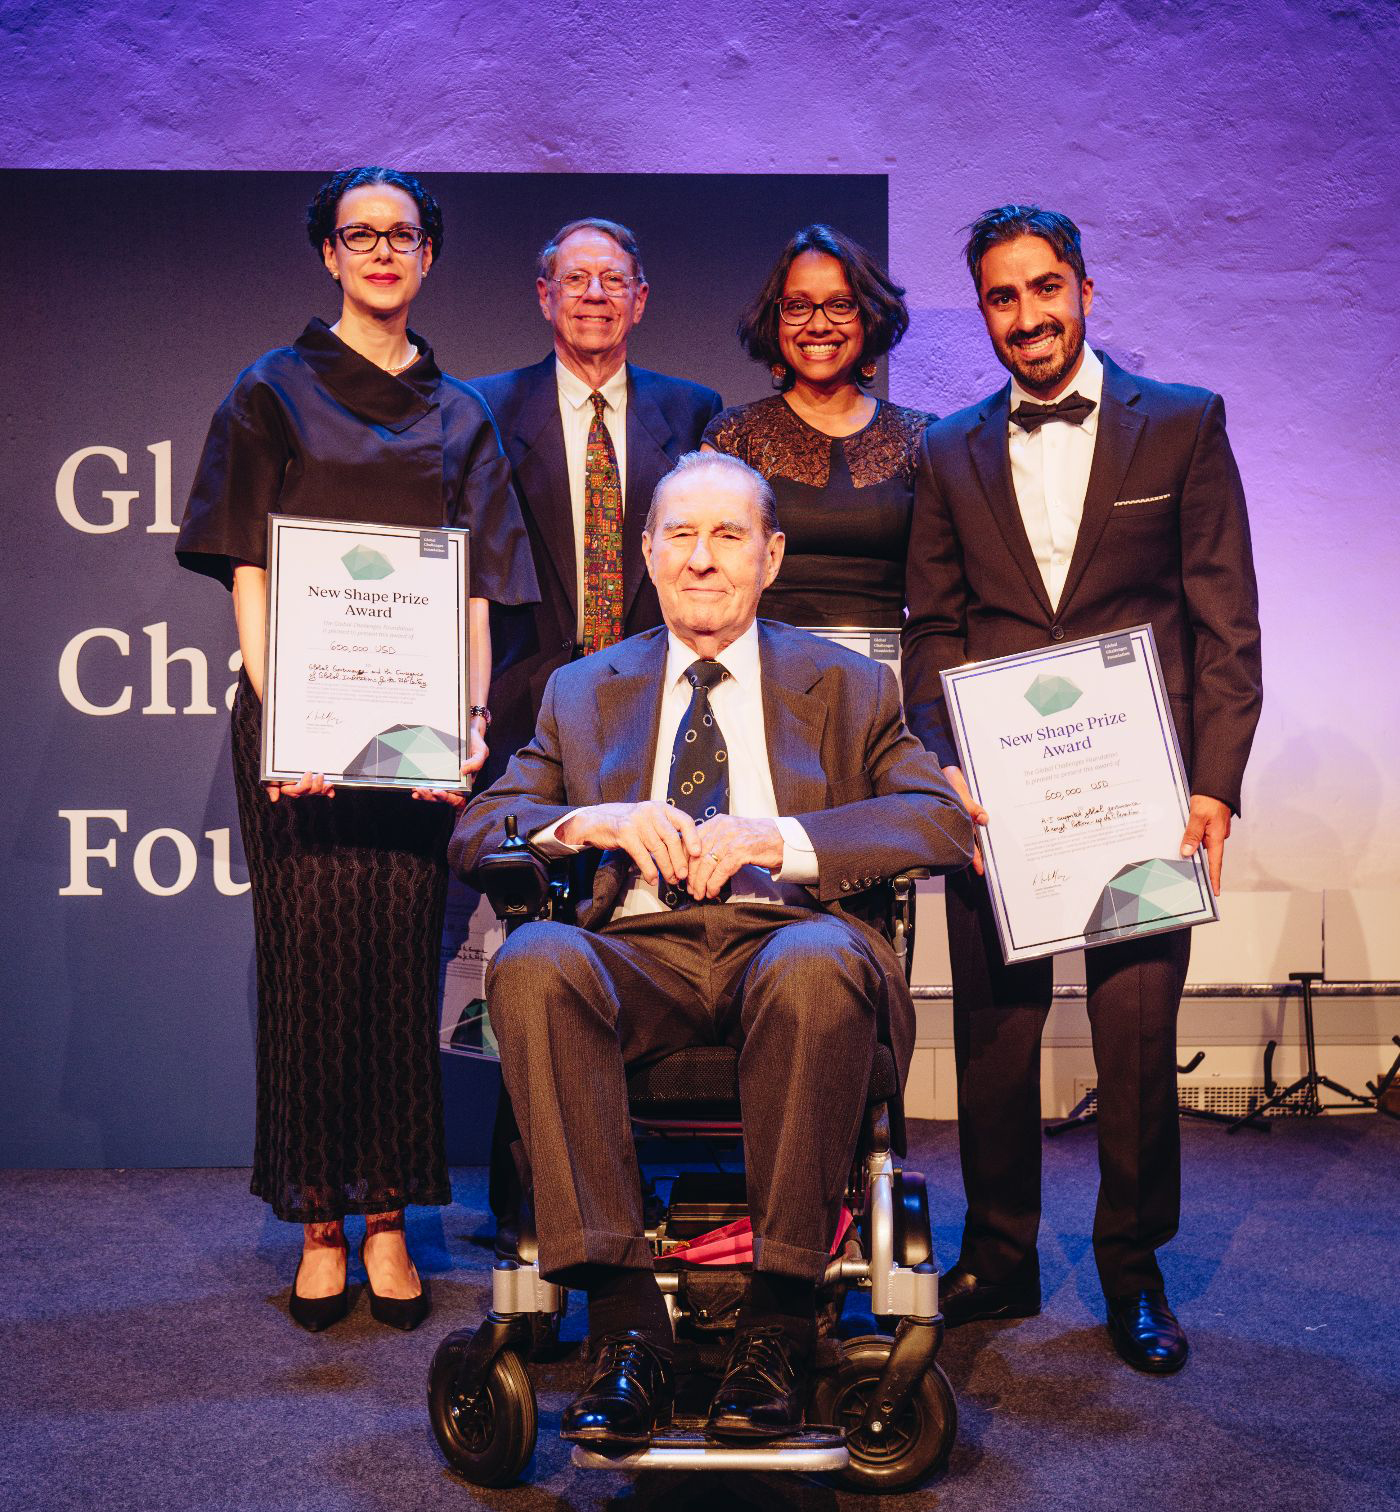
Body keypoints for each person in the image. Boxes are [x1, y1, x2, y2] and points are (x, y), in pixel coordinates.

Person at [449, 451, 974, 1449]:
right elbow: (482, 831)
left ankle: (777, 1325)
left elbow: (939, 823)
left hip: (787, 935)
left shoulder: (851, 685)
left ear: (768, 556)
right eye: (679, 535)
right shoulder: (579, 691)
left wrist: (784, 841)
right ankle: (623, 1327)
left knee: (815, 965)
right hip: (636, 951)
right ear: (645, 552)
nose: (701, 558)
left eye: (727, 535)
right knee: (531, 962)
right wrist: (586, 821)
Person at [175, 166, 538, 1333]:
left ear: (428, 255)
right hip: (294, 724)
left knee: (395, 967)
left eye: (402, 233)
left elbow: (479, 586)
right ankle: (318, 1223)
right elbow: (248, 566)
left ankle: (389, 1217)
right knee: (305, 965)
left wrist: (472, 718)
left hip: (418, 726)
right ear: (327, 254)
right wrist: (291, 715)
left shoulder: (459, 410)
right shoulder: (271, 388)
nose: (381, 250)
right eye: (358, 233)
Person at [901, 205, 1263, 1373]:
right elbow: (931, 633)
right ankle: (997, 1258)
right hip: (1000, 805)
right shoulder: (946, 449)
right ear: (983, 314)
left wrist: (1212, 788)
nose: (1027, 316)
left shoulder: (1184, 426)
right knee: (994, 1046)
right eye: (1001, 299)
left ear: (1086, 291)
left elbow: (1225, 627)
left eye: (1043, 289)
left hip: (1140, 802)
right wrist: (941, 763)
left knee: (1136, 1043)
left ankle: (1132, 1271)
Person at [469, 217, 723, 781]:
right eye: (576, 278)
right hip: (520, 708)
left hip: (656, 700)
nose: (594, 294)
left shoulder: (694, 411)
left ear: (639, 300)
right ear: (546, 295)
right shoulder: (483, 409)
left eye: (613, 279)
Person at [702, 224, 930, 628]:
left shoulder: (921, 438)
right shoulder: (735, 436)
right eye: (798, 306)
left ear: (870, 317)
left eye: (841, 304)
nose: (819, 324)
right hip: (765, 671)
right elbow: (703, 567)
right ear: (776, 320)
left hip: (887, 674)